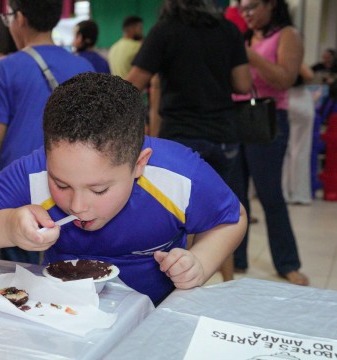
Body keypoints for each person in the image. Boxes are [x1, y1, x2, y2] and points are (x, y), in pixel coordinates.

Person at [0, 72, 247, 305]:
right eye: (61, 184)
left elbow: (232, 218)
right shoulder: (37, 172)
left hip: (156, 318)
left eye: (99, 190)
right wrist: (6, 227)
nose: (78, 206)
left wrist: (201, 262)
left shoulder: (178, 173)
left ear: (139, 164)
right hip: (62, 313)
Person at [125, 0, 251, 281]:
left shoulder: (165, 31)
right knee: (223, 214)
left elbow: (133, 82)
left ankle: (186, 287)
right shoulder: (229, 30)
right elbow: (243, 84)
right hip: (223, 135)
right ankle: (226, 284)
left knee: (183, 218)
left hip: (180, 137)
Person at [0, 0, 93, 264]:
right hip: (70, 182)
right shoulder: (83, 66)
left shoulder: (5, 68)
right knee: (65, 258)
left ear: (20, 18)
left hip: (19, 182)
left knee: (19, 263)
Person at [231, 0, 308, 285]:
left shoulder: (288, 34)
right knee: (236, 197)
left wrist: (250, 56)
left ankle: (287, 262)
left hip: (269, 118)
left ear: (271, 4)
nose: (246, 14)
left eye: (251, 7)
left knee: (269, 194)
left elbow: (285, 79)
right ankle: (236, 259)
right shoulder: (247, 37)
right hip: (238, 117)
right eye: (243, 9)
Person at [282, 63, 315, 205]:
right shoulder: (291, 52)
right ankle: (299, 193)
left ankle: (283, 191)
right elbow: (309, 76)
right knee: (301, 150)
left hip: (284, 99)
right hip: (300, 101)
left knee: (284, 151)